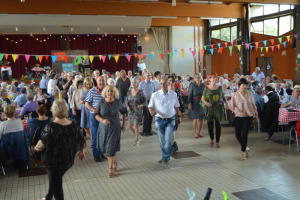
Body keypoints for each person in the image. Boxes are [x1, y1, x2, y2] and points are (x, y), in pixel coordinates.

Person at [34, 99, 86, 200]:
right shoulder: (73, 125)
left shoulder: (50, 127)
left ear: (53, 110)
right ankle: (48, 197)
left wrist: (35, 148)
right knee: (55, 181)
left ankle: (50, 197)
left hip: (53, 162)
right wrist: (81, 152)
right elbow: (82, 141)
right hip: (67, 161)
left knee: (57, 186)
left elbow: (40, 146)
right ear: (66, 109)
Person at [95, 85, 125, 178]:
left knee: (110, 147)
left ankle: (110, 169)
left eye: (112, 91)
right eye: (108, 91)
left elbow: (123, 113)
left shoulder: (118, 102)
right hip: (103, 127)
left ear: (114, 92)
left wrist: (123, 124)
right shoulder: (101, 102)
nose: (110, 93)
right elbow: (96, 115)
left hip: (114, 127)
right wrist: (102, 120)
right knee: (102, 148)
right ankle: (114, 160)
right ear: (105, 92)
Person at [148, 77, 181, 164]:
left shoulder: (173, 94)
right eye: (161, 83)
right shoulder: (155, 95)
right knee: (162, 141)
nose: (163, 85)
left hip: (170, 120)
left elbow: (176, 106)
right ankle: (165, 156)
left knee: (168, 140)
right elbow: (150, 106)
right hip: (159, 120)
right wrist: (151, 111)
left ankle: (165, 158)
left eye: (164, 83)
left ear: (168, 84)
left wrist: (178, 117)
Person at [231, 78, 258, 161]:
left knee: (244, 134)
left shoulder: (250, 94)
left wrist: (255, 115)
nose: (244, 87)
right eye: (243, 85)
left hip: (248, 116)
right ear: (239, 86)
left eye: (246, 85)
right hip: (239, 116)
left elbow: (253, 105)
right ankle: (245, 147)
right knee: (237, 134)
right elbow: (233, 106)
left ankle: (243, 152)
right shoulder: (235, 95)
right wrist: (239, 112)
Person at [85, 76, 107, 162]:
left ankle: (103, 153)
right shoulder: (92, 91)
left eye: (103, 80)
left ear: (105, 81)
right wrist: (94, 110)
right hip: (94, 117)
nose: (101, 82)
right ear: (97, 82)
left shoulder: (108, 90)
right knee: (95, 136)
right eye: (100, 80)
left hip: (105, 117)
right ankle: (96, 155)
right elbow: (87, 104)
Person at [201, 73, 226, 148]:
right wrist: (206, 103)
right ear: (210, 79)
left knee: (218, 125)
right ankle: (212, 139)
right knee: (210, 124)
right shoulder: (206, 88)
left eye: (216, 77)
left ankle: (217, 141)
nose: (215, 79)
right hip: (209, 108)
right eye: (213, 77)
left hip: (218, 108)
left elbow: (223, 96)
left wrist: (226, 104)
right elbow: (202, 98)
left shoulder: (220, 88)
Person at [126, 78, 146, 146]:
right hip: (131, 111)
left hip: (138, 111)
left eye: (134, 82)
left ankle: (137, 139)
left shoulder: (140, 92)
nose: (133, 84)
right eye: (132, 82)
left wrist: (141, 105)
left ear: (137, 84)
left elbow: (145, 102)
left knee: (135, 125)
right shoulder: (129, 92)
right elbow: (126, 101)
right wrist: (127, 106)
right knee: (130, 125)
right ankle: (138, 135)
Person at [168, 75, 184, 153]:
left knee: (173, 129)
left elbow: (180, 102)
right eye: (169, 81)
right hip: (167, 112)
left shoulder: (176, 91)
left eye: (171, 81)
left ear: (174, 82)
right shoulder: (165, 90)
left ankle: (172, 144)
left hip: (174, 112)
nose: (170, 82)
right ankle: (174, 144)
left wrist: (181, 113)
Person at [188, 74, 205, 138]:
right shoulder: (192, 85)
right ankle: (195, 132)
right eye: (196, 77)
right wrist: (189, 103)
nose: (198, 78)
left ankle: (199, 132)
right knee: (195, 118)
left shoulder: (203, 85)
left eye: (199, 77)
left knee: (201, 118)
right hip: (194, 102)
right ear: (194, 79)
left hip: (202, 102)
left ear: (200, 78)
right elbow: (190, 95)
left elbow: (205, 93)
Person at [80, 78, 94, 143]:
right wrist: (82, 101)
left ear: (92, 84)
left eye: (89, 84)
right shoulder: (82, 90)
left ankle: (93, 140)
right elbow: (80, 99)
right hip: (84, 109)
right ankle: (93, 137)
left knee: (91, 126)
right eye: (87, 84)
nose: (88, 85)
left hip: (91, 108)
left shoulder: (94, 90)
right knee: (84, 126)